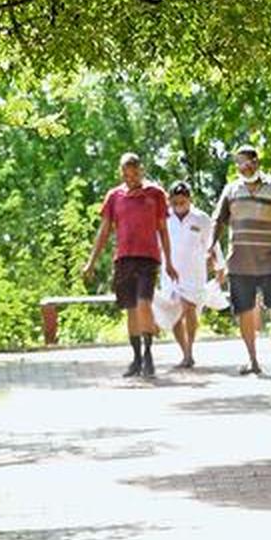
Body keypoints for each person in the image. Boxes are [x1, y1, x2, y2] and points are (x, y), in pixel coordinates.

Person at [82, 153, 178, 378]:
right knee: (131, 308)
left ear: (141, 171)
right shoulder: (114, 196)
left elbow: (163, 230)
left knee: (144, 302)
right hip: (124, 257)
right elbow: (104, 231)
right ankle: (136, 358)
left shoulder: (155, 194)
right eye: (126, 174)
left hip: (148, 257)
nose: (130, 178)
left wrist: (169, 261)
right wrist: (91, 262)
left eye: (134, 173)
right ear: (121, 173)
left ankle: (148, 354)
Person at [212, 146, 271, 374]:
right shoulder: (231, 190)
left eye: (249, 162)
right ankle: (253, 359)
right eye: (240, 163)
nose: (245, 166)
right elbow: (218, 220)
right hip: (240, 262)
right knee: (245, 310)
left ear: (257, 162)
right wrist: (210, 247)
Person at [160, 181, 225, 368]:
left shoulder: (201, 219)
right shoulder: (164, 218)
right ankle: (184, 351)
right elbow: (156, 244)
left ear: (190, 199)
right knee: (174, 314)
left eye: (183, 202)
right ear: (170, 201)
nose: (179, 206)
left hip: (193, 273)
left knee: (189, 308)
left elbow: (213, 245)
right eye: (175, 202)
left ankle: (189, 353)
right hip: (170, 272)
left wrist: (220, 266)